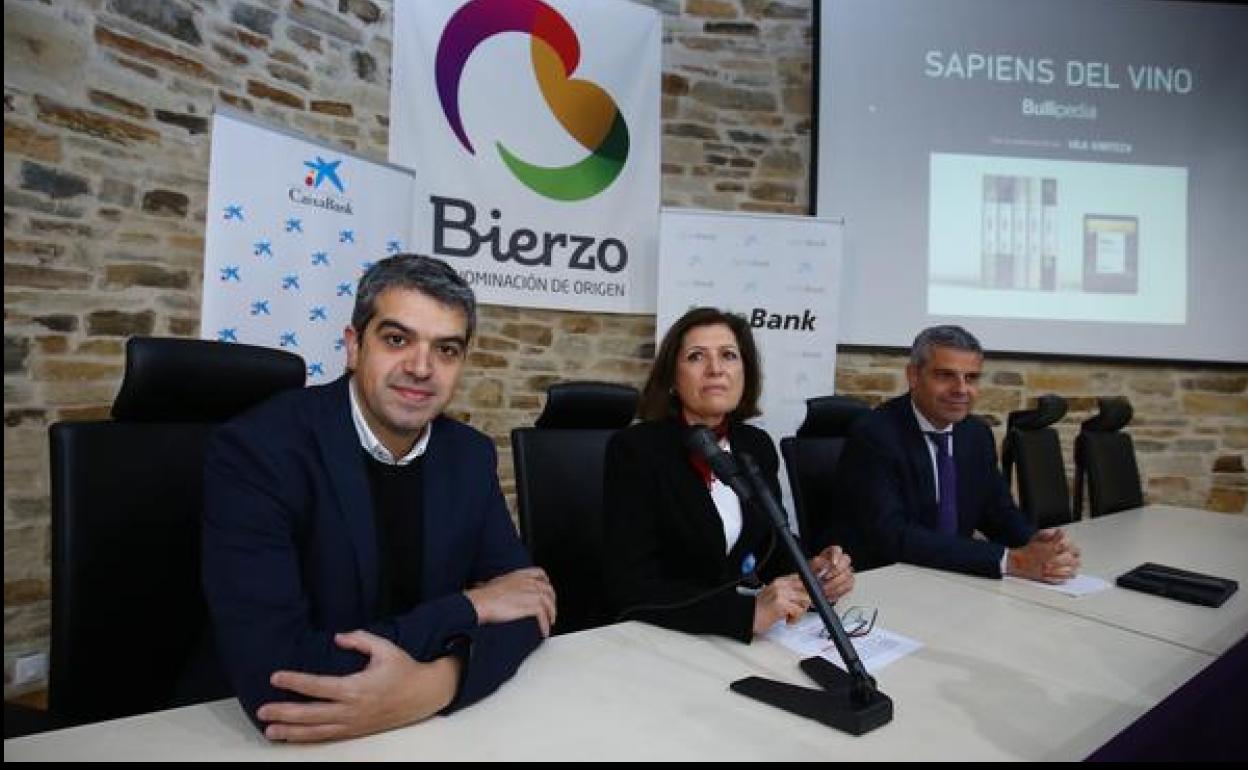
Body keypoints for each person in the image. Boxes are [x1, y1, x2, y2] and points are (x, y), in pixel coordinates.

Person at [203, 254, 555, 743]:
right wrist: (469, 609)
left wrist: (438, 684)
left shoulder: (469, 455)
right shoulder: (260, 451)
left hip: (425, 735)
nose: (421, 367)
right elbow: (277, 674)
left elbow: (529, 605)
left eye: (446, 349)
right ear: (353, 346)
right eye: (396, 340)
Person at [604, 307, 855, 642]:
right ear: (673, 380)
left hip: (726, 636)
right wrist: (747, 615)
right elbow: (631, 587)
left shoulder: (755, 445)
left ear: (745, 373)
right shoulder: (636, 450)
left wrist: (812, 573)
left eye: (728, 356)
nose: (716, 369)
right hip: (658, 636)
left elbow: (771, 544)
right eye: (696, 357)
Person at [822, 325, 1081, 581]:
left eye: (971, 378)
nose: (961, 389)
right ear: (913, 376)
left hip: (950, 578)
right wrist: (1010, 560)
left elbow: (998, 512)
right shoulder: (874, 434)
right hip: (886, 581)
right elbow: (891, 536)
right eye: (945, 375)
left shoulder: (975, 434)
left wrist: (1037, 543)